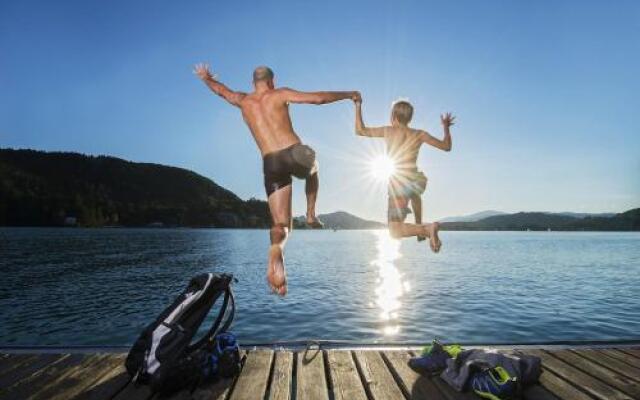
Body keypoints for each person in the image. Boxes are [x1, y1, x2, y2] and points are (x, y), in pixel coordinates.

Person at [194, 63, 360, 296]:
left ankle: (275, 249)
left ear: (253, 83)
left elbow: (221, 91)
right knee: (314, 168)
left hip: (271, 163)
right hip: (294, 152)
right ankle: (312, 214)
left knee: (281, 225)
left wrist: (206, 78)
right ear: (271, 81)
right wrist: (348, 94)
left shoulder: (243, 100)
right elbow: (318, 99)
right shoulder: (279, 93)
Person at [354, 98, 454, 252]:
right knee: (415, 194)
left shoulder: (389, 131)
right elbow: (446, 147)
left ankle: (426, 229)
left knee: (394, 231)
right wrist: (446, 127)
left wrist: (358, 105)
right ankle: (420, 226)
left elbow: (360, 130)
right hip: (416, 179)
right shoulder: (419, 134)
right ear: (410, 118)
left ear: (393, 116)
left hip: (399, 181)